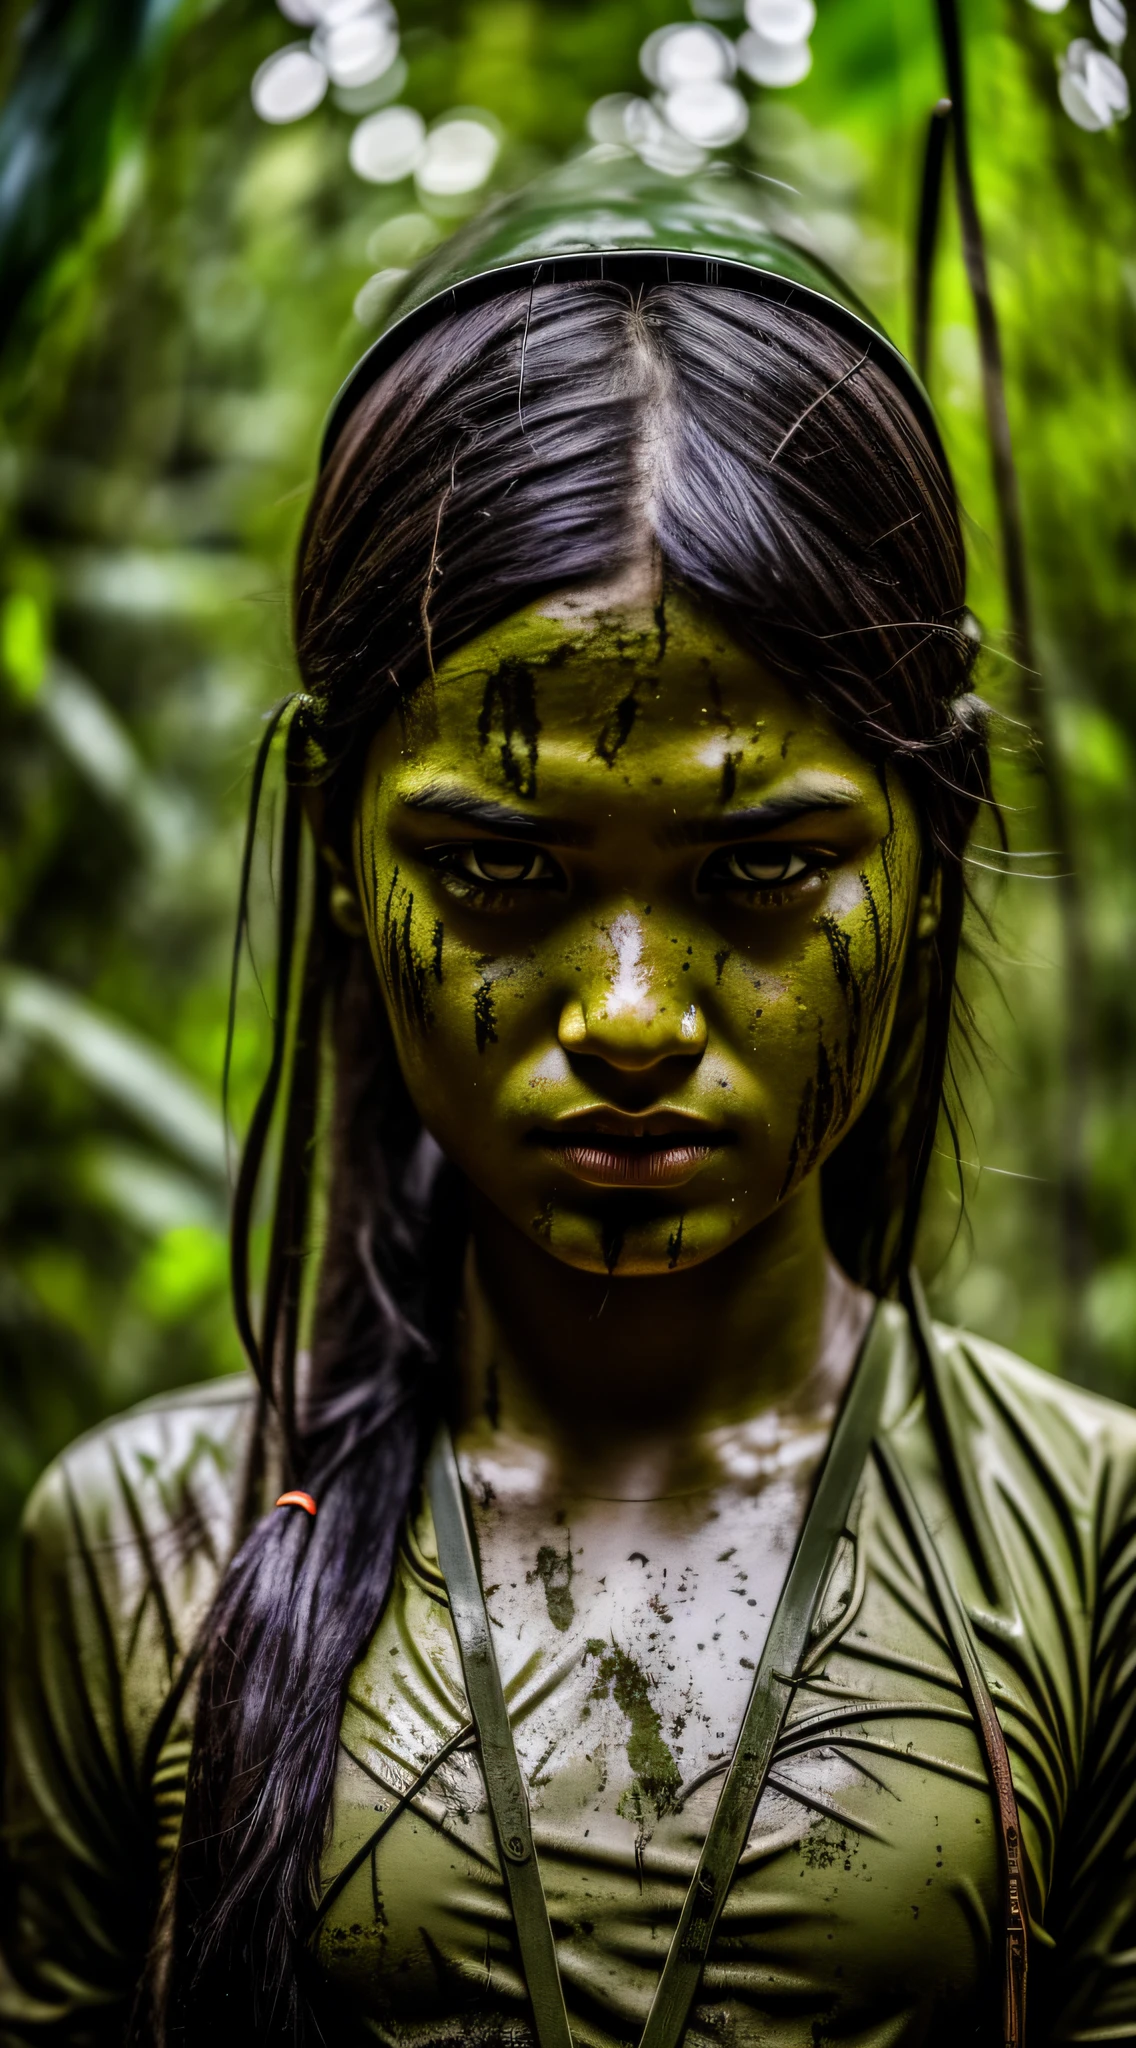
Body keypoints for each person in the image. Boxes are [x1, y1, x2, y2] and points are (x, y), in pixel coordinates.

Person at [3, 154, 1134, 2048]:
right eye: (503, 870)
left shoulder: (1093, 1540)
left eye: (762, 873)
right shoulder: (143, 1548)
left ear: (929, 867)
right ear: (343, 859)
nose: (625, 1018)